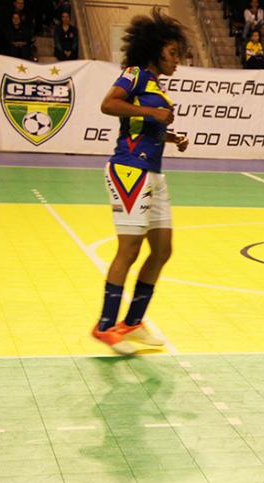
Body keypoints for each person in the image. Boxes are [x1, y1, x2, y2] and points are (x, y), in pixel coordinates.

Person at [93, 8, 190, 355]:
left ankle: (132, 323)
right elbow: (108, 105)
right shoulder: (133, 75)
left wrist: (171, 136)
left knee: (162, 251)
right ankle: (105, 327)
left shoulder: (157, 87)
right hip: (129, 170)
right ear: (155, 49)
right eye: (173, 52)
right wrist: (152, 113)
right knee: (129, 249)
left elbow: (143, 127)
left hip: (154, 173)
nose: (177, 60)